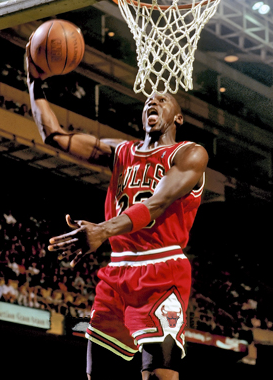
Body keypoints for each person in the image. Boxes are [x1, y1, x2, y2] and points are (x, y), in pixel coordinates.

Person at [25, 35, 208, 380]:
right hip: (118, 270)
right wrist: (35, 83)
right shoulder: (120, 152)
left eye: (163, 99)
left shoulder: (189, 153)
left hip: (162, 269)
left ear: (179, 117)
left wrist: (103, 229)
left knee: (157, 374)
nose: (152, 101)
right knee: (98, 373)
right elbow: (54, 136)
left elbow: (157, 204)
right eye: (148, 101)